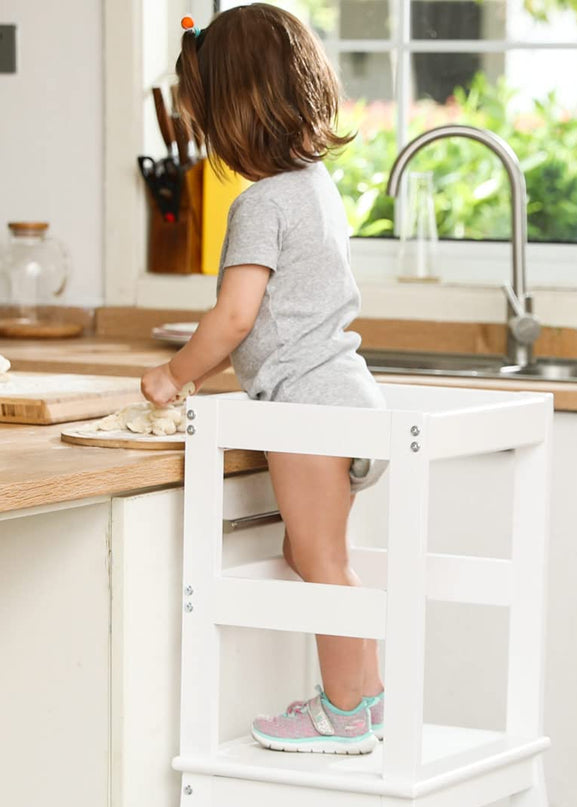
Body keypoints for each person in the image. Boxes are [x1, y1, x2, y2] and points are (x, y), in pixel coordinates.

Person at [141, 3, 386, 755]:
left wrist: (173, 375)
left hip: (309, 413)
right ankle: (363, 702)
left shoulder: (259, 203)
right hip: (339, 402)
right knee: (320, 559)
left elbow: (235, 317)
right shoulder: (313, 187)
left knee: (319, 563)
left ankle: (346, 711)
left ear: (232, 115)